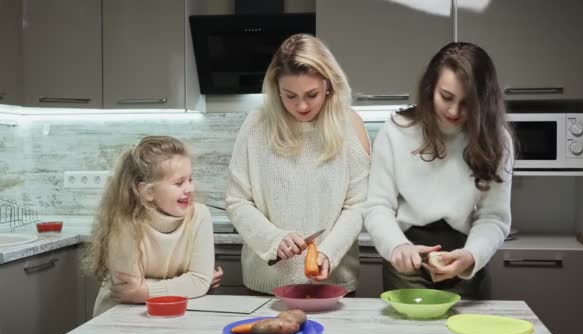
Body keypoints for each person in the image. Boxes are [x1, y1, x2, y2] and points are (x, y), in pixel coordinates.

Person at [365, 42, 514, 299]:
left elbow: (494, 218)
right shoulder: (396, 131)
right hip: (406, 258)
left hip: (465, 257)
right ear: (430, 87)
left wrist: (471, 256)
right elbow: (377, 206)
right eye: (446, 97)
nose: (455, 111)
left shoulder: (497, 141)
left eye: (468, 103)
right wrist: (396, 246)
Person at [225, 33, 371, 295]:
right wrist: (273, 239)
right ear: (275, 89)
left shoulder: (350, 126)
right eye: (289, 96)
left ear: (328, 84)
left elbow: (358, 205)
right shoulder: (256, 125)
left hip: (332, 284)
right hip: (267, 285)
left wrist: (328, 253)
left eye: (311, 94)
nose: (301, 105)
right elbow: (237, 201)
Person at [83, 136, 222, 316]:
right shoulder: (125, 221)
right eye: (179, 183)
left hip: (171, 313)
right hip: (119, 313)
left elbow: (198, 282)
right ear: (149, 192)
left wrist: (145, 291)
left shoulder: (200, 216)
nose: (189, 189)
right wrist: (189, 284)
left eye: (190, 179)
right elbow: (127, 290)